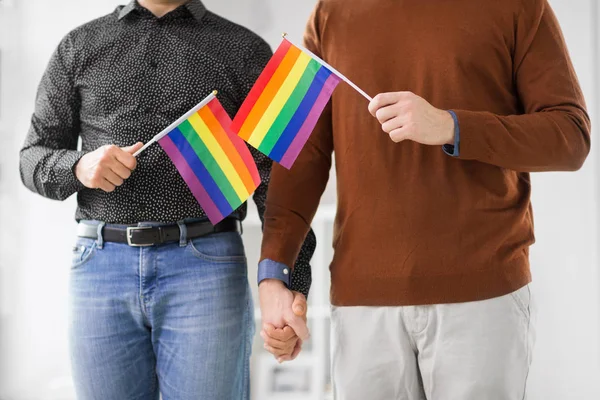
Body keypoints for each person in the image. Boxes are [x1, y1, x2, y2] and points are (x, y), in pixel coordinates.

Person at [258, 0, 591, 398]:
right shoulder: (330, 11)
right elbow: (296, 157)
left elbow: (571, 136)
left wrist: (452, 126)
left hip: (482, 295)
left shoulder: (519, 5)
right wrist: (272, 274)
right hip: (363, 301)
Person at [19, 1, 314, 399]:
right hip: (99, 268)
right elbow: (32, 158)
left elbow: (281, 185)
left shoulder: (244, 51)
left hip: (207, 267)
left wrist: (283, 281)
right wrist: (79, 167)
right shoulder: (79, 46)